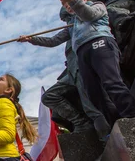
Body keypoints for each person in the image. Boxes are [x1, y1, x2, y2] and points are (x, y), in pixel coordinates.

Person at [18, 7, 110, 139]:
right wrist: (31, 39)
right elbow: (52, 41)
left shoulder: (91, 22)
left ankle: (105, 139)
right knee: (49, 96)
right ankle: (81, 122)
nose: (67, 21)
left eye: (67, 17)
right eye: (65, 20)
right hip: (72, 72)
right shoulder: (71, 29)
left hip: (83, 68)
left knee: (91, 107)